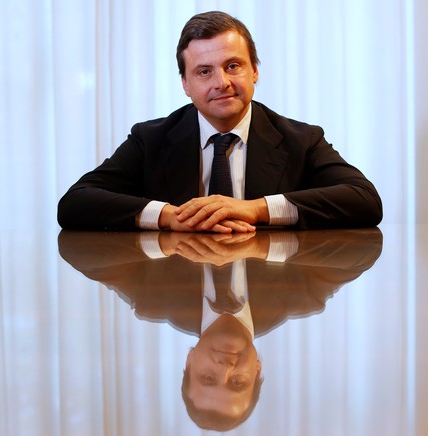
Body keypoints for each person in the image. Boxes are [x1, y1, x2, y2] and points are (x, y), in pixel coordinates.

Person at [57, 11, 383, 233]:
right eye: (204, 71)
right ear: (185, 83)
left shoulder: (301, 138)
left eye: (233, 66)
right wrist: (170, 216)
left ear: (254, 70)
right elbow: (75, 203)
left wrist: (255, 209)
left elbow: (364, 200)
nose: (221, 82)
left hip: (272, 281)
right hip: (177, 277)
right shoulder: (151, 139)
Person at [58, 228, 383, 430]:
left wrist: (168, 217)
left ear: (189, 361)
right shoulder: (303, 298)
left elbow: (87, 258)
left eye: (208, 378)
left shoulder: (151, 298)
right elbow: (360, 256)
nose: (226, 368)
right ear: (257, 368)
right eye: (238, 382)